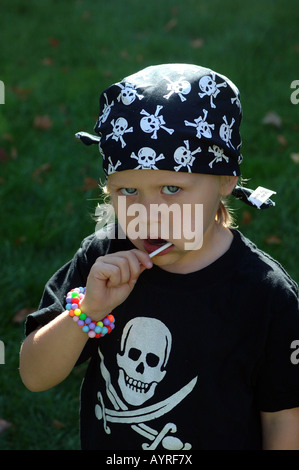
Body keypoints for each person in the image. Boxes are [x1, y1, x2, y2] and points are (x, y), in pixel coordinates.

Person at [19, 63, 299, 450]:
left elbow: (283, 416)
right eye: (128, 191)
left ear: (225, 180)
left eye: (171, 187)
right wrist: (85, 313)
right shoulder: (103, 260)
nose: (148, 212)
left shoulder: (265, 294)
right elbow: (34, 375)